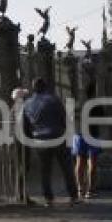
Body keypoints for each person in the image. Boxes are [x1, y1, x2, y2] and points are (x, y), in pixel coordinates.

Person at [22, 77, 80, 207]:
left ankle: (49, 199)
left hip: (40, 140)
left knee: (45, 170)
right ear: (45, 87)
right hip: (58, 137)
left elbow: (26, 125)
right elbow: (64, 119)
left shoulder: (27, 104)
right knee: (66, 168)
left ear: (34, 88)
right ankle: (73, 196)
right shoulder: (54, 100)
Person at [72, 83, 102, 199]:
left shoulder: (77, 103)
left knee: (80, 162)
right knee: (92, 163)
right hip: (92, 134)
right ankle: (90, 189)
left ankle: (81, 189)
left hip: (79, 134)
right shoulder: (96, 104)